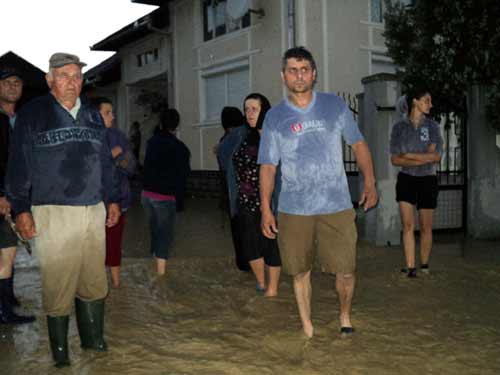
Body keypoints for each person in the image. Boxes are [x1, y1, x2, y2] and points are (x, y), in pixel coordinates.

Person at [5, 53, 121, 367]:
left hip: (93, 209)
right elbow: (18, 165)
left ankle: (94, 344)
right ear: (49, 79)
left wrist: (112, 200)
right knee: (58, 284)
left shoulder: (94, 116)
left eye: (77, 76)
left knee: (95, 281)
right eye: (64, 76)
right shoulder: (32, 114)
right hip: (52, 211)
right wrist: (21, 209)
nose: (72, 83)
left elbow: (106, 163)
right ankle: (61, 356)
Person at [258, 47, 378, 338]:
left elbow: (358, 144)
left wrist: (370, 182)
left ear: (313, 74)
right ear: (283, 76)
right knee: (299, 272)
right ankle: (308, 327)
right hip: (294, 208)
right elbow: (268, 166)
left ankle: (345, 316)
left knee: (346, 269)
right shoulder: (274, 117)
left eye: (304, 69)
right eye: (292, 70)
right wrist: (265, 208)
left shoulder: (334, 106)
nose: (298, 75)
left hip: (336, 205)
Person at [218, 94, 281, 296]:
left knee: (270, 244)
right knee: (249, 246)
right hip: (244, 201)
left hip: (269, 201)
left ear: (265, 110)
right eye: (246, 109)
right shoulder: (240, 135)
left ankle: (273, 289)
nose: (250, 113)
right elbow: (223, 154)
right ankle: (262, 283)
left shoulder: (274, 135)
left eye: (254, 108)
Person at [390, 89, 443, 278]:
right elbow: (395, 160)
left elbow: (435, 156)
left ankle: (425, 264)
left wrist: (410, 155)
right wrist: (423, 158)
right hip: (406, 180)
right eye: (427, 100)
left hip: (427, 179)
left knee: (426, 226)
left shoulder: (433, 127)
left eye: (431, 101)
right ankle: (410, 267)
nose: (430, 104)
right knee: (407, 225)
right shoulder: (399, 128)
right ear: (415, 101)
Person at [0, 67, 36, 324]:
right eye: (7, 83)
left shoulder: (23, 119)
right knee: (5, 253)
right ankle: (4, 313)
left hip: (17, 195)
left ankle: (8, 299)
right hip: (2, 197)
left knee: (10, 252)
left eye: (17, 83)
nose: (13, 87)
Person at [93, 97, 137, 288]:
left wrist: (116, 158)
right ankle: (96, 285)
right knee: (92, 247)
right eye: (108, 112)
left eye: (112, 111)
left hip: (118, 200)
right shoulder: (87, 136)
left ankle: (117, 285)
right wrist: (110, 156)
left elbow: (131, 166)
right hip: (92, 202)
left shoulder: (118, 135)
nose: (113, 116)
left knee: (114, 244)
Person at [141, 108, 190, 275]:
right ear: (176, 126)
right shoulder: (181, 148)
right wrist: (180, 203)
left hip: (147, 195)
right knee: (165, 235)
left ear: (161, 123)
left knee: (154, 231)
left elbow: (145, 167)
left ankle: (152, 265)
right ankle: (161, 275)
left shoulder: (151, 142)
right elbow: (182, 178)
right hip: (165, 197)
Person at [216, 106, 250, 271]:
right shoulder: (250, 134)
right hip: (255, 194)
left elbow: (223, 166)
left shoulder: (226, 141)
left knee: (239, 232)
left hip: (235, 195)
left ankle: (244, 265)